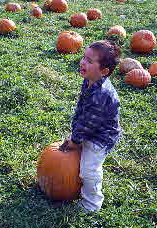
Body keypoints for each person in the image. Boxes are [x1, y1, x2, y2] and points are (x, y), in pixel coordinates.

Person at [62, 40, 122, 213]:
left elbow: (90, 123)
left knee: (89, 170)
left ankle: (92, 204)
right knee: (80, 162)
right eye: (83, 57)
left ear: (104, 71)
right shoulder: (89, 80)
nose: (82, 62)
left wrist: (76, 140)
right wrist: (76, 134)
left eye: (89, 61)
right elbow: (83, 112)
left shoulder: (101, 95)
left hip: (100, 137)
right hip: (89, 129)